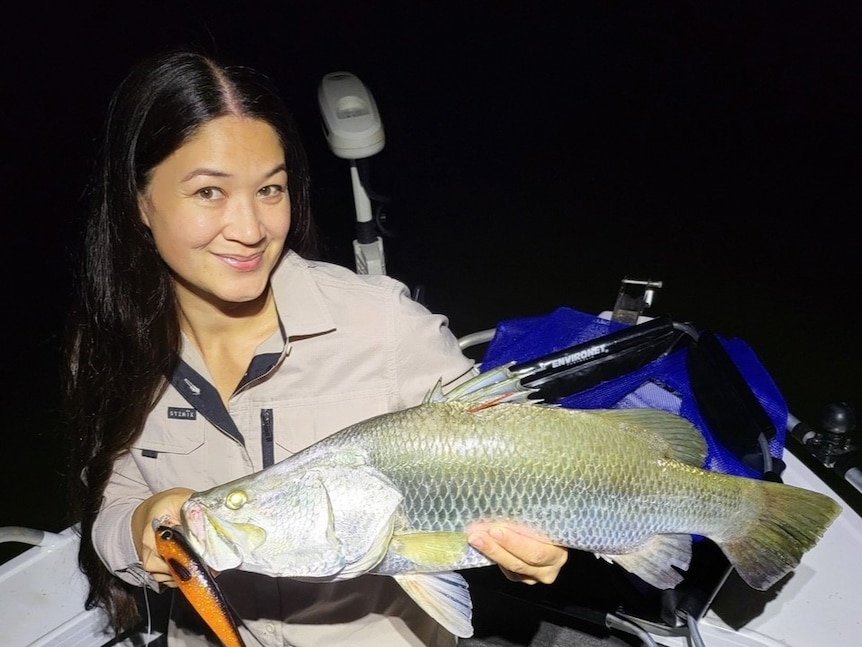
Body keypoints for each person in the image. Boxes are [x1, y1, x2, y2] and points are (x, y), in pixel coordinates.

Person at [64, 47, 568, 647]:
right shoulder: (113, 350)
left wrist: (533, 538)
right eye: (208, 193)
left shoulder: (385, 327)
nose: (250, 229)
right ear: (139, 201)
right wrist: (139, 528)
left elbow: (519, 452)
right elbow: (114, 494)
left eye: (270, 190)